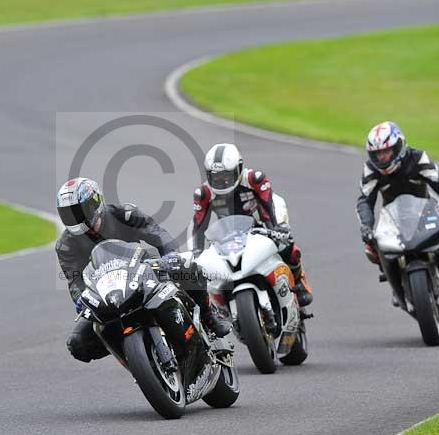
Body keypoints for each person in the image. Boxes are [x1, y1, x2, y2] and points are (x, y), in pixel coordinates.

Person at [55, 177, 230, 363]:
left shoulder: (123, 214)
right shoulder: (65, 245)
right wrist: (82, 299)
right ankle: (135, 355)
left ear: (94, 203)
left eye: (78, 211)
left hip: (143, 271)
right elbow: (74, 280)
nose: (75, 218)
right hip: (107, 292)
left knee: (187, 267)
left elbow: (156, 232)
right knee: (77, 344)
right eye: (69, 213)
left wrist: (170, 255)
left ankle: (208, 316)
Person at [188, 143, 313, 308]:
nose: (221, 181)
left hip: (263, 218)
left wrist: (276, 229)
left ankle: (299, 282)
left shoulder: (255, 179)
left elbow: (268, 207)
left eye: (226, 176)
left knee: (285, 243)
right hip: (231, 229)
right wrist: (194, 254)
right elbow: (198, 225)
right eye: (215, 177)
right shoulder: (203, 193)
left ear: (239, 169)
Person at [357, 121, 439, 284]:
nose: (381, 157)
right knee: (371, 245)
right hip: (392, 217)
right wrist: (366, 226)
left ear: (399, 146)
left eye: (386, 151)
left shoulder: (417, 157)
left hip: (425, 209)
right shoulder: (371, 169)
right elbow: (365, 200)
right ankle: (393, 277)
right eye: (377, 154)